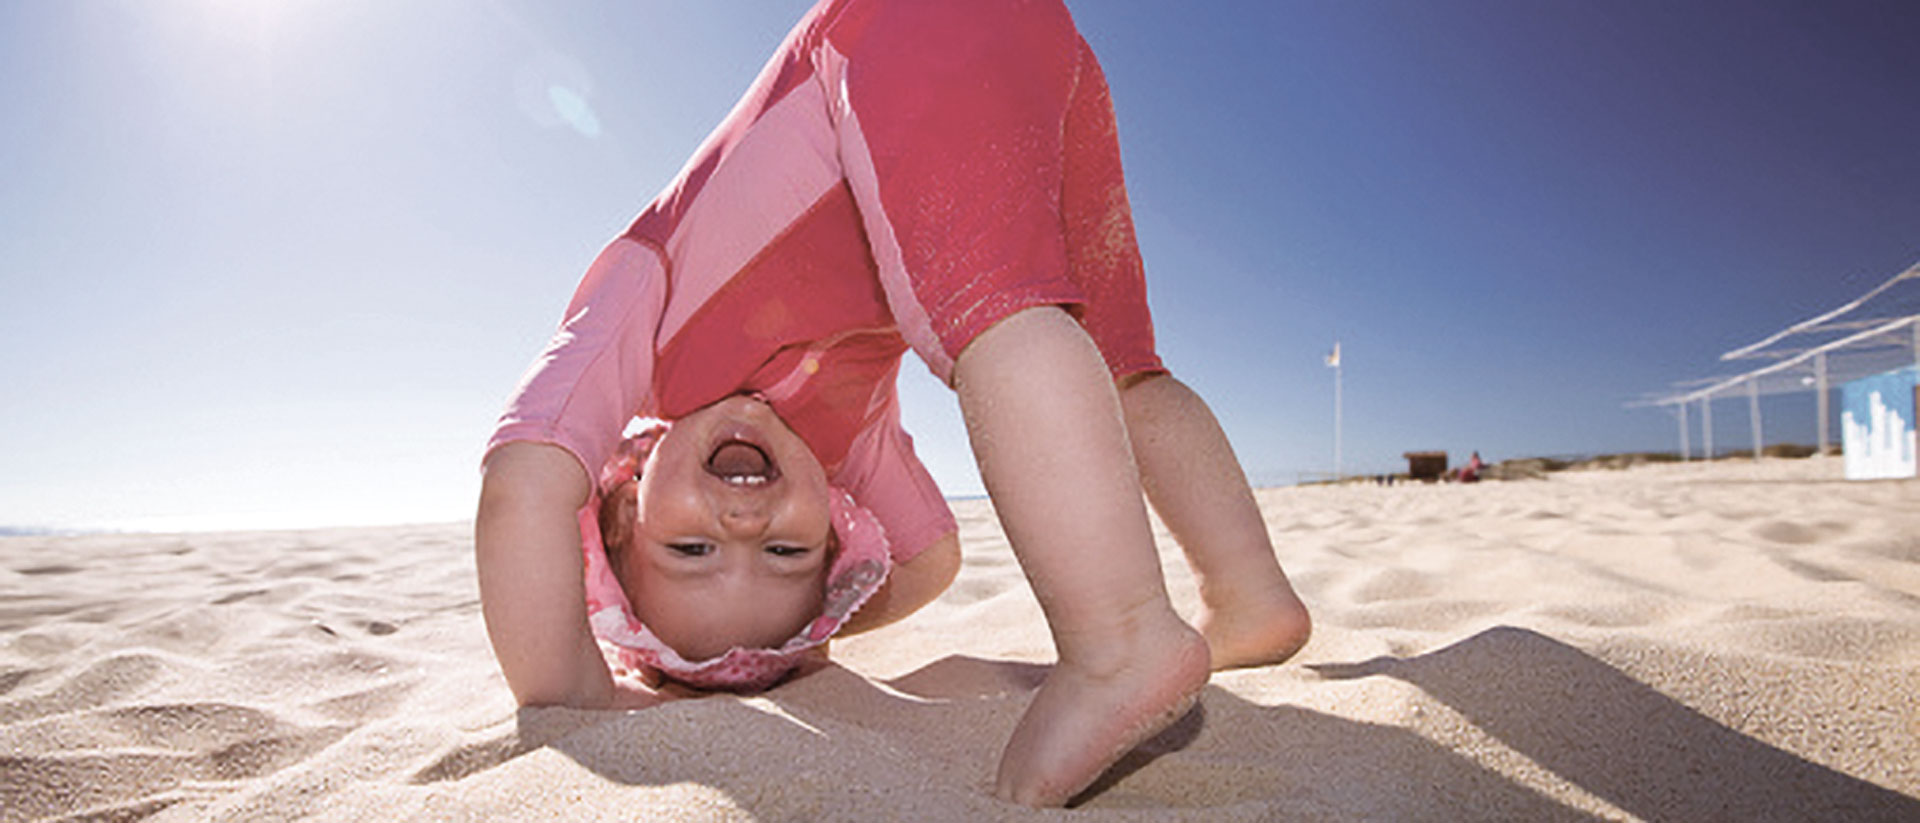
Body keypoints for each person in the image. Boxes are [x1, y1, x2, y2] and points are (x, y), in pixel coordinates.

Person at [474, 0, 1310, 806]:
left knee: (996, 315)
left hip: (891, 31)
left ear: (621, 506)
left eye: (689, 548)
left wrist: (567, 686)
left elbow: (525, 476)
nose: (742, 528)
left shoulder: (646, 325)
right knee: (1122, 366)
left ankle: (1120, 635)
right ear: (834, 524)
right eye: (786, 551)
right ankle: (1246, 590)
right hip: (1048, 55)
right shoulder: (840, 449)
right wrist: (809, 621)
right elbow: (930, 559)